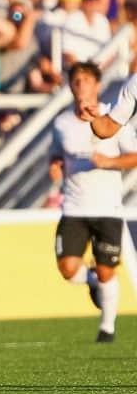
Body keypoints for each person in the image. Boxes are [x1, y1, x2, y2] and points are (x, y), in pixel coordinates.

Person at [51, 62, 137, 342]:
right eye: (76, 81)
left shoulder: (113, 106)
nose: (81, 86)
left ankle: (107, 329)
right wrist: (54, 164)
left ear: (97, 84)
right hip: (74, 207)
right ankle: (94, 287)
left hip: (107, 207)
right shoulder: (63, 123)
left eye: (86, 80)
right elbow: (105, 128)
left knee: (106, 269)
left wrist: (109, 162)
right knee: (68, 268)